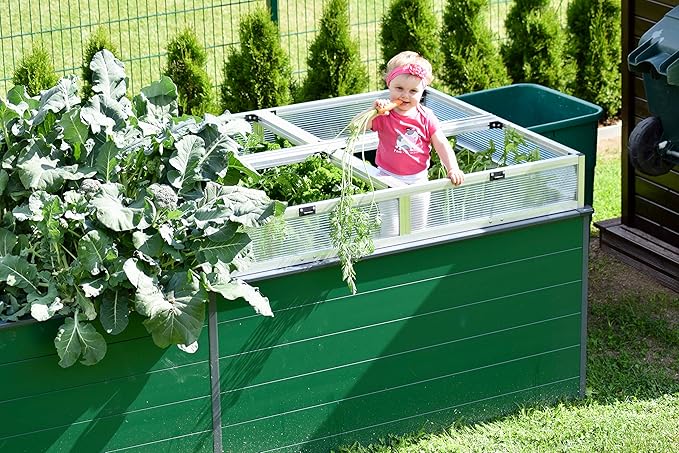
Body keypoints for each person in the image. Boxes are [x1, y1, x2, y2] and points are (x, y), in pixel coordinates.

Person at [366, 51, 464, 235]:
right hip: (387, 178)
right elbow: (357, 127)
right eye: (399, 88)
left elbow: (441, 144)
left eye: (413, 91)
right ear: (389, 84)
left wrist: (453, 168)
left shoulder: (426, 117)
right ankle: (391, 251)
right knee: (390, 229)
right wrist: (373, 112)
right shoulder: (385, 115)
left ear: (422, 92)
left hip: (418, 180)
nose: (405, 95)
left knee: (418, 228)